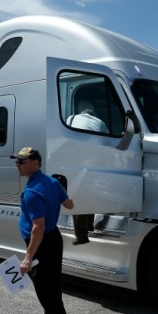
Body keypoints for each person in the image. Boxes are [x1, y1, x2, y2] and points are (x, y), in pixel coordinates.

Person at [12, 146, 79, 314]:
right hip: (53, 240)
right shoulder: (52, 182)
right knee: (51, 289)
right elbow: (69, 203)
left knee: (50, 299)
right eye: (17, 161)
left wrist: (28, 258)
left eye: (22, 161)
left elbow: (37, 227)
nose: (18, 165)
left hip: (42, 243)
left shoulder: (31, 192)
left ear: (35, 163)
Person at [65, 102, 107, 245]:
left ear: (81, 113)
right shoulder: (100, 122)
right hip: (94, 161)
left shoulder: (71, 118)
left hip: (77, 160)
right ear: (93, 114)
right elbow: (106, 140)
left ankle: (81, 235)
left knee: (78, 197)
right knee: (90, 193)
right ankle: (89, 225)